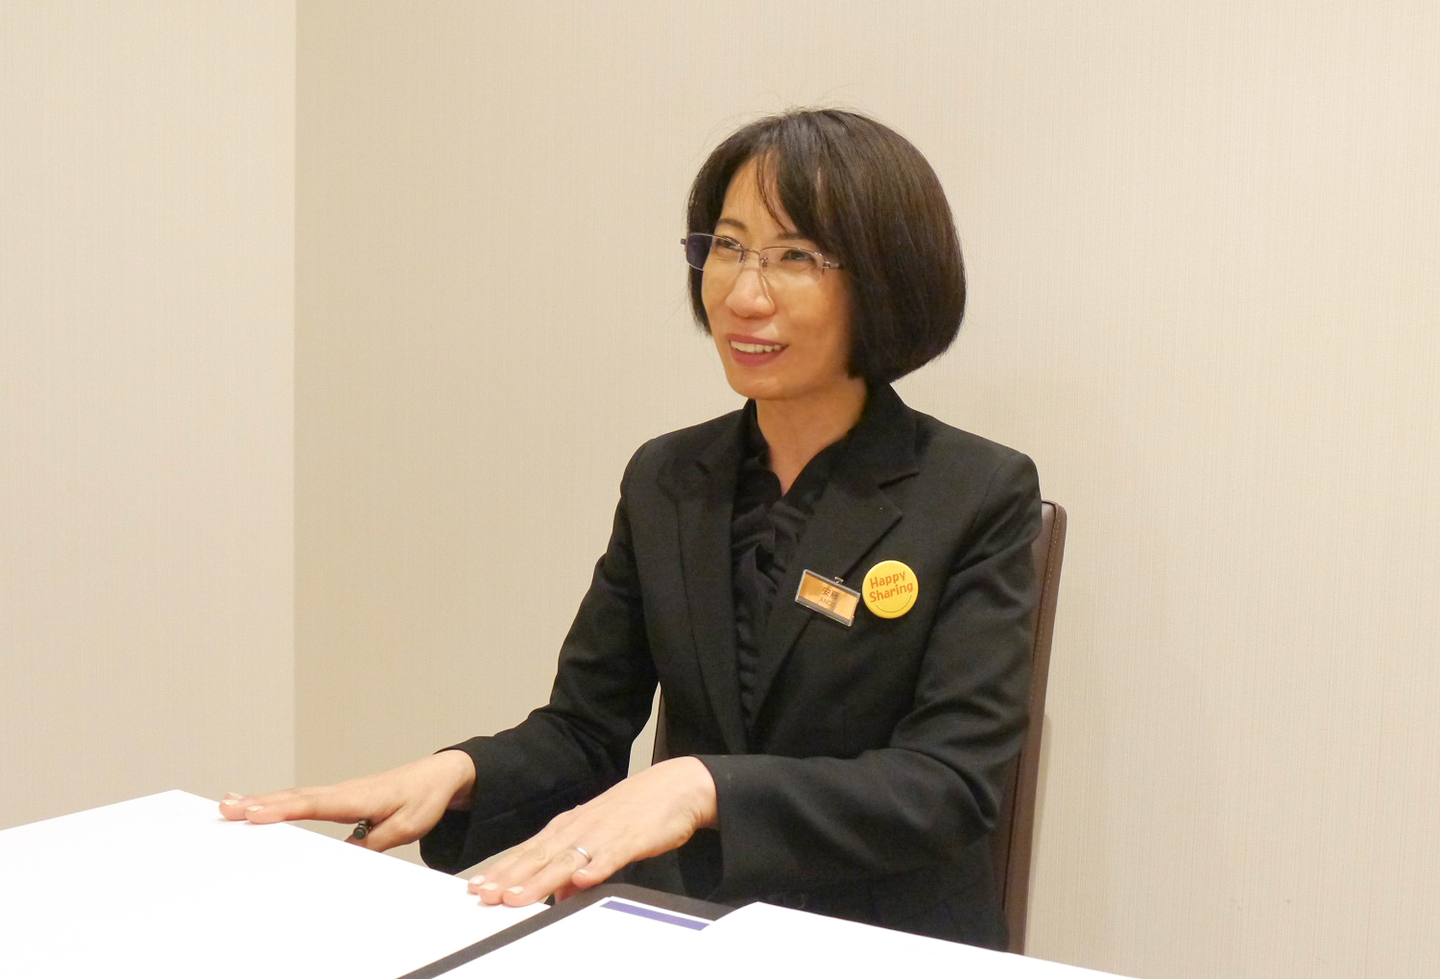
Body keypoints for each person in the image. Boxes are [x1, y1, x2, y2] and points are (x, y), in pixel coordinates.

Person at [221, 107, 1041, 948]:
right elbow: (584, 731)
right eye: (727, 247)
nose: (743, 294)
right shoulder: (669, 477)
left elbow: (948, 784)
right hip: (678, 925)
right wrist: (453, 773)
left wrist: (701, 786)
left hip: (882, 940)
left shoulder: (978, 491)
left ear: (886, 277)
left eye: (794, 256)